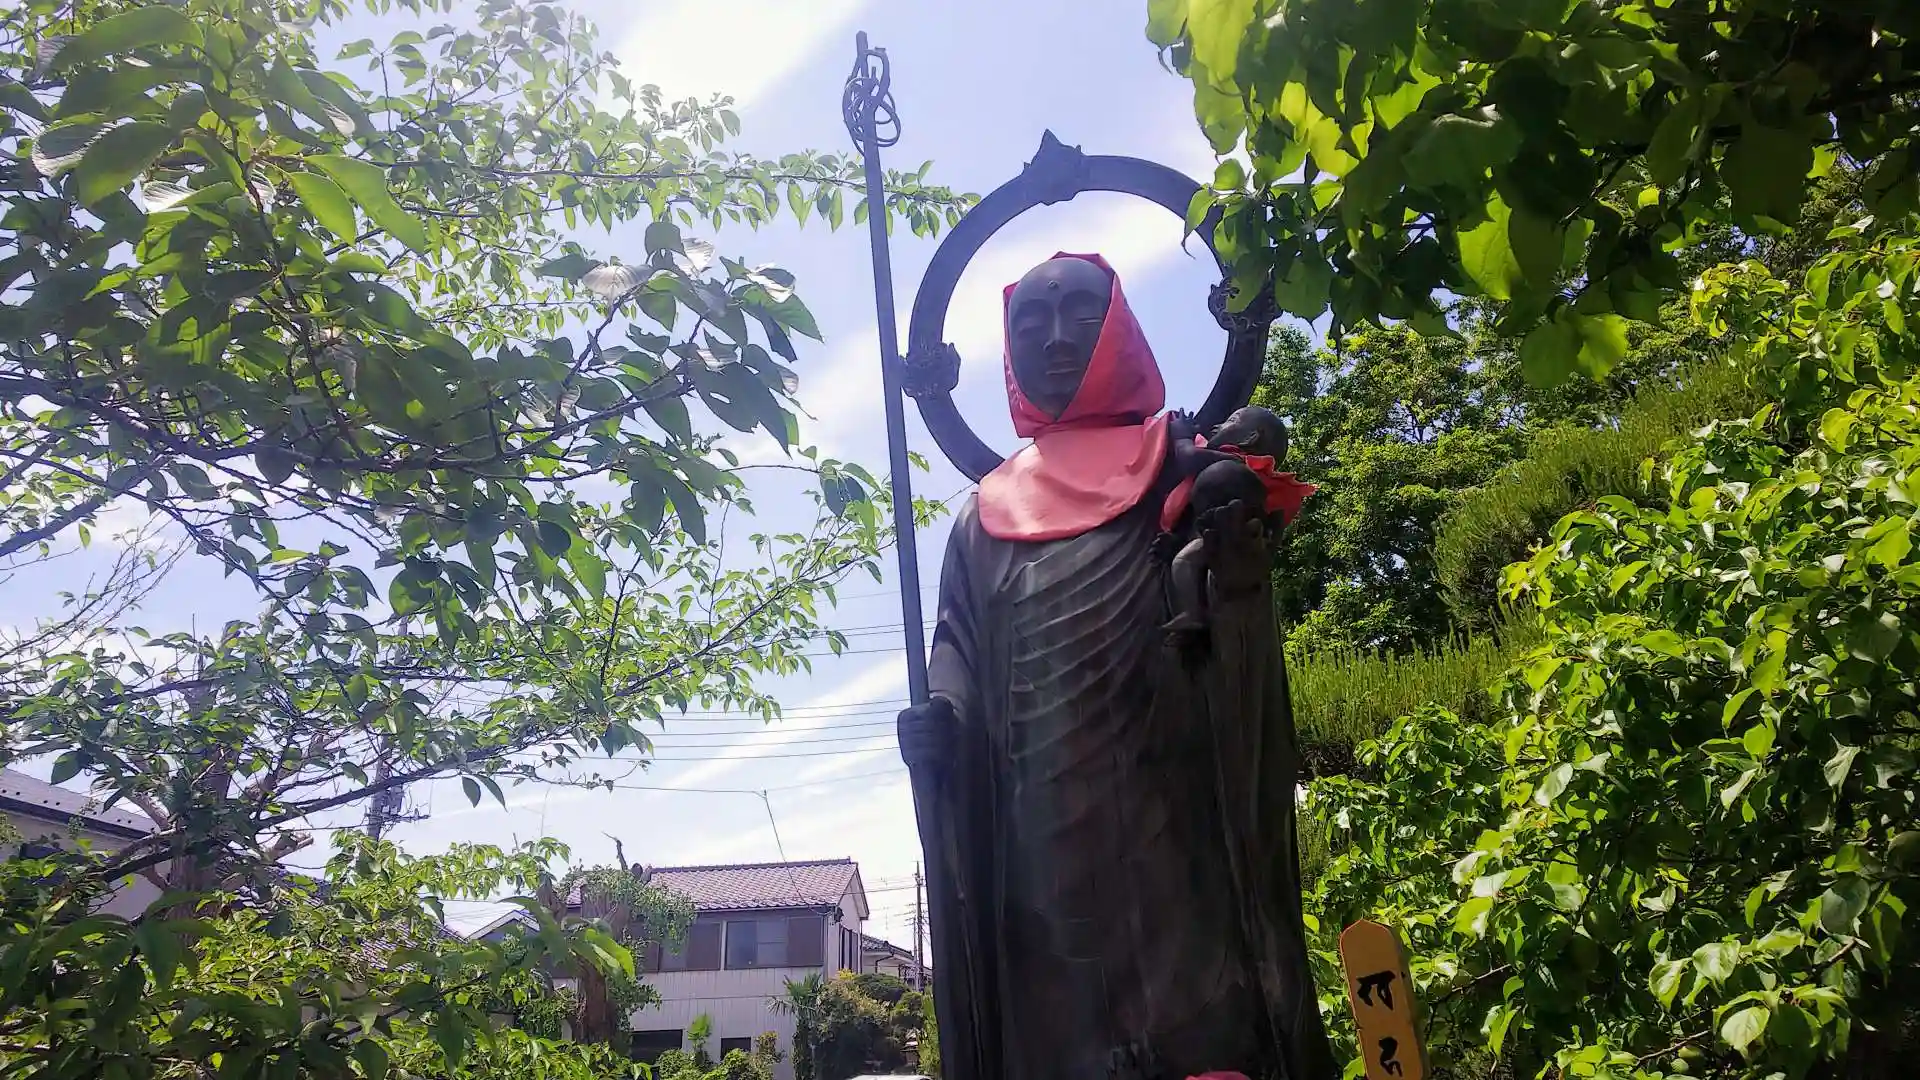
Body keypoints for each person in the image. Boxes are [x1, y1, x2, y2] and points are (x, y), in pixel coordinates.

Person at [896, 253, 1335, 1080]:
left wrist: (1238, 578)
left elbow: (1228, 606)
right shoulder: (981, 520)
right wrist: (940, 720)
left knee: (1195, 1008)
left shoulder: (1176, 463)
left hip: (1167, 798)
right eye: (1031, 322)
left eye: (1082, 315)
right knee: (1056, 1027)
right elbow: (957, 648)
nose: (1056, 339)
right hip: (1035, 831)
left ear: (1122, 329)